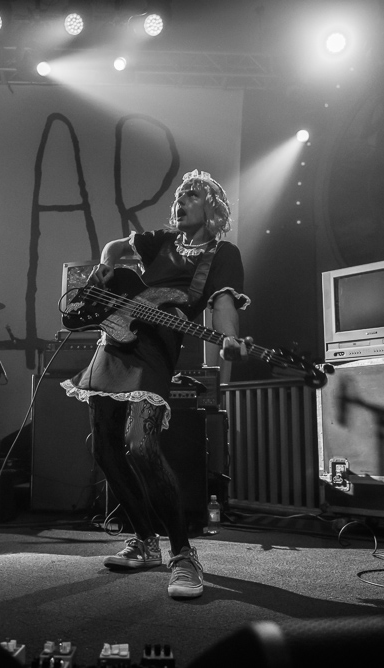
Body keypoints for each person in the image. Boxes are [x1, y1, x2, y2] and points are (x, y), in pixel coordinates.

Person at [62, 169, 250, 599]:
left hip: (156, 347)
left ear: (213, 207)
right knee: (103, 445)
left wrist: (230, 341)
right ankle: (145, 542)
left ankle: (182, 553)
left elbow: (221, 304)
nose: (182, 199)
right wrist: (102, 283)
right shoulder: (160, 240)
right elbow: (114, 248)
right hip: (117, 337)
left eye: (194, 194)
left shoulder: (223, 254)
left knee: (141, 445)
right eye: (180, 193)